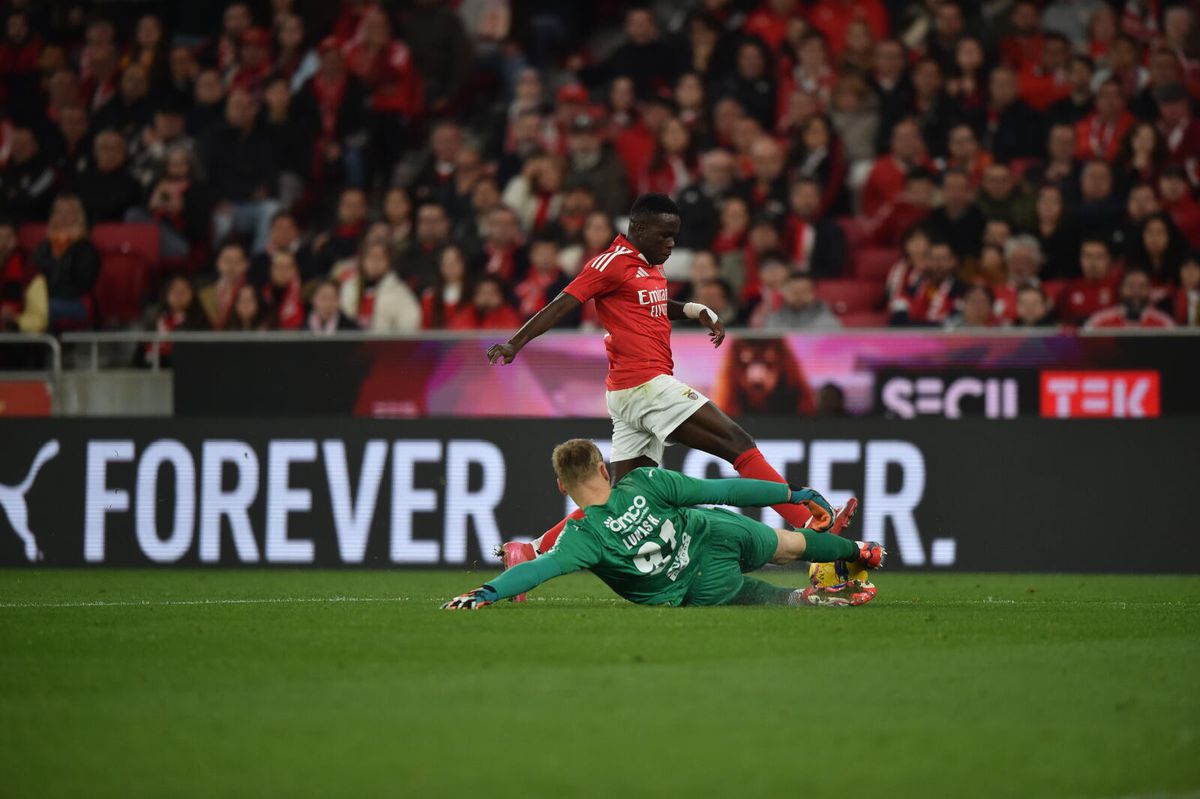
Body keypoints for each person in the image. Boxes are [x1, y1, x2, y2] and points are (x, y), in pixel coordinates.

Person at [486, 194, 858, 578]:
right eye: (665, 235)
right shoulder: (610, 263)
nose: (671, 244)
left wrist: (695, 309)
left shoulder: (649, 265)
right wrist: (516, 342)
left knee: (621, 500)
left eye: (675, 237)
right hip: (645, 384)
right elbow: (562, 303)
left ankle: (529, 551)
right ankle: (812, 526)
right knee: (738, 444)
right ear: (639, 229)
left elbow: (654, 303)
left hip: (630, 393)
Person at [441, 439, 883, 610]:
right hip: (714, 533)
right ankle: (859, 552)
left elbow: (540, 569)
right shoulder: (645, 482)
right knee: (791, 545)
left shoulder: (581, 536)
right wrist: (791, 494)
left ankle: (811, 599)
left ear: (561, 486)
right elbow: (726, 491)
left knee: (780, 601)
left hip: (698, 589)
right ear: (603, 467)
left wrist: (488, 591)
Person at [32, 195, 99, 328]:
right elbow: (35, 275)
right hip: (43, 300)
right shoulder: (45, 246)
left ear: (78, 217)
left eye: (68, 212)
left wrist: (68, 249)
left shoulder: (85, 248)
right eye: (58, 212)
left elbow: (79, 285)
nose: (62, 217)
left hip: (77, 303)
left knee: (42, 310)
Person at [340, 241, 421, 332]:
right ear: (363, 260)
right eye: (371, 257)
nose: (375, 262)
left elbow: (409, 326)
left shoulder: (400, 292)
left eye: (380, 258)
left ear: (388, 262)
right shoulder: (349, 287)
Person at [1085, 269, 1176, 328]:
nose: (1136, 291)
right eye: (1131, 286)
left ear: (1149, 291)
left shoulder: (1164, 324)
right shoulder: (1098, 322)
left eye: (1142, 286)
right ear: (1120, 290)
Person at [0, 218, 46, 333]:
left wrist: (16, 320)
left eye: (8, 238)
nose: (3, 244)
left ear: (16, 240)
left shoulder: (30, 273)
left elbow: (40, 320)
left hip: (18, 337)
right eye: (0, 238)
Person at [762, 272, 842, 330]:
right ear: (784, 293)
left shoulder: (828, 321)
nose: (799, 296)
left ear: (814, 293)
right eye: (794, 291)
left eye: (804, 291)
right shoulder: (773, 320)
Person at [198, 241, 248, 330]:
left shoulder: (252, 294)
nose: (231, 266)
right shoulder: (204, 294)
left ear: (245, 264)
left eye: (237, 261)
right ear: (218, 262)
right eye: (227, 260)